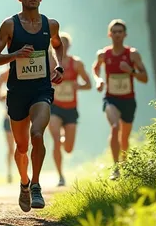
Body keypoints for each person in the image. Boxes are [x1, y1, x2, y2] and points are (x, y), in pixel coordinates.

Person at [0, 0, 64, 212]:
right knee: (21, 148)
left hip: (41, 89)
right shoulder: (10, 25)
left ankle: (36, 185)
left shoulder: (50, 24)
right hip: (17, 93)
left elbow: (57, 45)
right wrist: (14, 55)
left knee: (38, 134)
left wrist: (59, 65)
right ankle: (24, 181)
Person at [93, 19, 148, 180]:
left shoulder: (132, 54)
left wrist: (130, 70)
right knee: (115, 127)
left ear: (125, 34)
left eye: (120, 32)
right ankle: (115, 168)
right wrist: (99, 80)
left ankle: (125, 165)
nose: (117, 35)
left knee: (124, 137)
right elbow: (96, 68)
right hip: (111, 99)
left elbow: (145, 78)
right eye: (114, 32)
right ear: (109, 34)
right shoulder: (104, 54)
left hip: (129, 100)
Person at [49, 33, 91, 187]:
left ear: (69, 46)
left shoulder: (76, 63)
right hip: (54, 106)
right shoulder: (49, 63)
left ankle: (62, 140)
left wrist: (78, 86)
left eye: (65, 44)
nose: (62, 47)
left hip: (71, 109)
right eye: (59, 44)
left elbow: (88, 84)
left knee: (68, 148)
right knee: (54, 138)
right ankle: (60, 175)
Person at [0, 68, 15, 183]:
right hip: (8, 118)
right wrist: (4, 97)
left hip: (25, 115)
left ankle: (25, 171)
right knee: (11, 148)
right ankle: (9, 172)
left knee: (25, 146)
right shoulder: (3, 74)